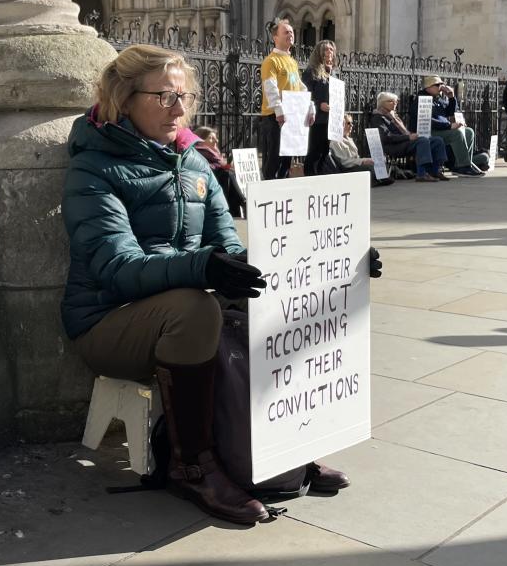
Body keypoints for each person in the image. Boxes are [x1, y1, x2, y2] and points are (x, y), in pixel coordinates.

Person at [61, 44, 365, 527]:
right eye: (164, 96)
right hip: (108, 320)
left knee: (274, 298)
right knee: (197, 310)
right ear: (123, 97)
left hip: (177, 304)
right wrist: (204, 267)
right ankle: (191, 466)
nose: (179, 109)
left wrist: (335, 262)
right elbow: (117, 267)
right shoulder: (94, 165)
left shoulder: (195, 161)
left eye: (184, 96)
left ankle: (287, 443)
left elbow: (228, 247)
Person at [258, 18, 305, 180]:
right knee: (274, 158)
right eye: (286, 32)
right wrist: (279, 111)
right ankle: (269, 190)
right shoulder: (270, 61)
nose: (290, 34)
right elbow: (270, 88)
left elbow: (299, 85)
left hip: (291, 115)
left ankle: (282, 190)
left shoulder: (292, 62)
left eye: (291, 32)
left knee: (287, 158)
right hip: (274, 117)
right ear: (275, 38)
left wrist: (310, 107)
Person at [369, 91, 450, 182]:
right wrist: (408, 137)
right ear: (382, 103)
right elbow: (386, 137)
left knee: (437, 140)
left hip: (405, 142)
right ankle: (421, 174)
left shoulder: (393, 116)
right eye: (391, 101)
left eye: (396, 101)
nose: (395, 103)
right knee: (422, 141)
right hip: (393, 146)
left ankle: (435, 170)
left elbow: (404, 132)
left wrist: (410, 136)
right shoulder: (378, 117)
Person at [418, 74, 484, 175]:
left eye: (441, 84)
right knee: (456, 134)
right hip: (430, 131)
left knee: (469, 132)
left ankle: (463, 164)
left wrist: (451, 97)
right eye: (437, 85)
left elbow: (450, 112)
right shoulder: (421, 99)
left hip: (442, 129)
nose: (440, 87)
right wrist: (449, 126)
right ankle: (463, 167)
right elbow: (426, 120)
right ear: (428, 87)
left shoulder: (438, 99)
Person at [192, 125, 247, 217]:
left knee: (228, 174)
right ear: (200, 141)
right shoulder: (197, 152)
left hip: (216, 181)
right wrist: (222, 168)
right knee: (226, 174)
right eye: (211, 138)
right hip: (205, 183)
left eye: (216, 138)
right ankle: (243, 202)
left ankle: (239, 207)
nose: (216, 141)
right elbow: (205, 169)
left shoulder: (214, 153)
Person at [301, 39, 338, 175]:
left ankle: (320, 178)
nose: (330, 52)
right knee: (314, 152)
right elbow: (305, 94)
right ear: (319, 52)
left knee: (325, 152)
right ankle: (310, 177)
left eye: (332, 49)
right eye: (326, 49)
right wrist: (318, 104)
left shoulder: (333, 73)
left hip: (330, 120)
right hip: (317, 119)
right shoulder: (311, 72)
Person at [329, 115, 391, 184]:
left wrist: (367, 160)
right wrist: (362, 161)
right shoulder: (335, 142)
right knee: (369, 167)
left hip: (354, 165)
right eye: (348, 123)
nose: (351, 125)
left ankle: (382, 179)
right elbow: (345, 163)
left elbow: (356, 158)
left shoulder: (349, 139)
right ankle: (379, 180)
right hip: (348, 169)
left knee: (378, 162)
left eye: (352, 123)